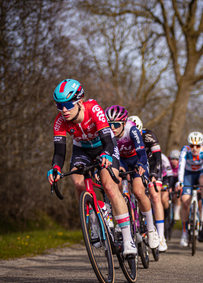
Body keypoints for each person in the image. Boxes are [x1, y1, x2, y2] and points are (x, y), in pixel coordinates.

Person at [47, 79, 137, 257]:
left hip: (105, 145)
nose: (63, 110)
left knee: (110, 186)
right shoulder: (60, 121)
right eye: (59, 105)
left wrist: (106, 155)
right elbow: (59, 152)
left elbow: (107, 140)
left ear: (79, 102)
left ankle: (128, 240)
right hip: (82, 150)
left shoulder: (93, 109)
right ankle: (94, 221)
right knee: (78, 182)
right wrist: (55, 168)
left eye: (67, 104)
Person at [105, 107, 159, 250]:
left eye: (116, 124)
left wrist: (141, 163)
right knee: (115, 187)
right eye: (109, 124)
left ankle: (151, 229)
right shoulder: (108, 132)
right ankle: (120, 222)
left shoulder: (132, 130)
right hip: (120, 160)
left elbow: (142, 152)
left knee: (138, 191)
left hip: (136, 159)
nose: (112, 128)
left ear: (123, 123)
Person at [128, 115, 168, 252]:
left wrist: (154, 175)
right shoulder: (126, 136)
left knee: (154, 195)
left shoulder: (149, 135)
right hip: (135, 165)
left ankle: (161, 236)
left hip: (151, 165)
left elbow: (157, 158)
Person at [175, 131, 203, 247]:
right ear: (189, 145)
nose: (195, 148)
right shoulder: (185, 150)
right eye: (192, 145)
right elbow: (181, 165)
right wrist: (180, 181)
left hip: (201, 173)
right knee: (185, 201)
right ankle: (184, 233)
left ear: (201, 145)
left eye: (197, 146)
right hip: (188, 174)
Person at [169, 149, 181, 222]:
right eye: (172, 159)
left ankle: (176, 211)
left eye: (176, 159)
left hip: (177, 180)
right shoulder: (168, 164)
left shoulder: (181, 165)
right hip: (170, 179)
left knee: (178, 194)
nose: (174, 161)